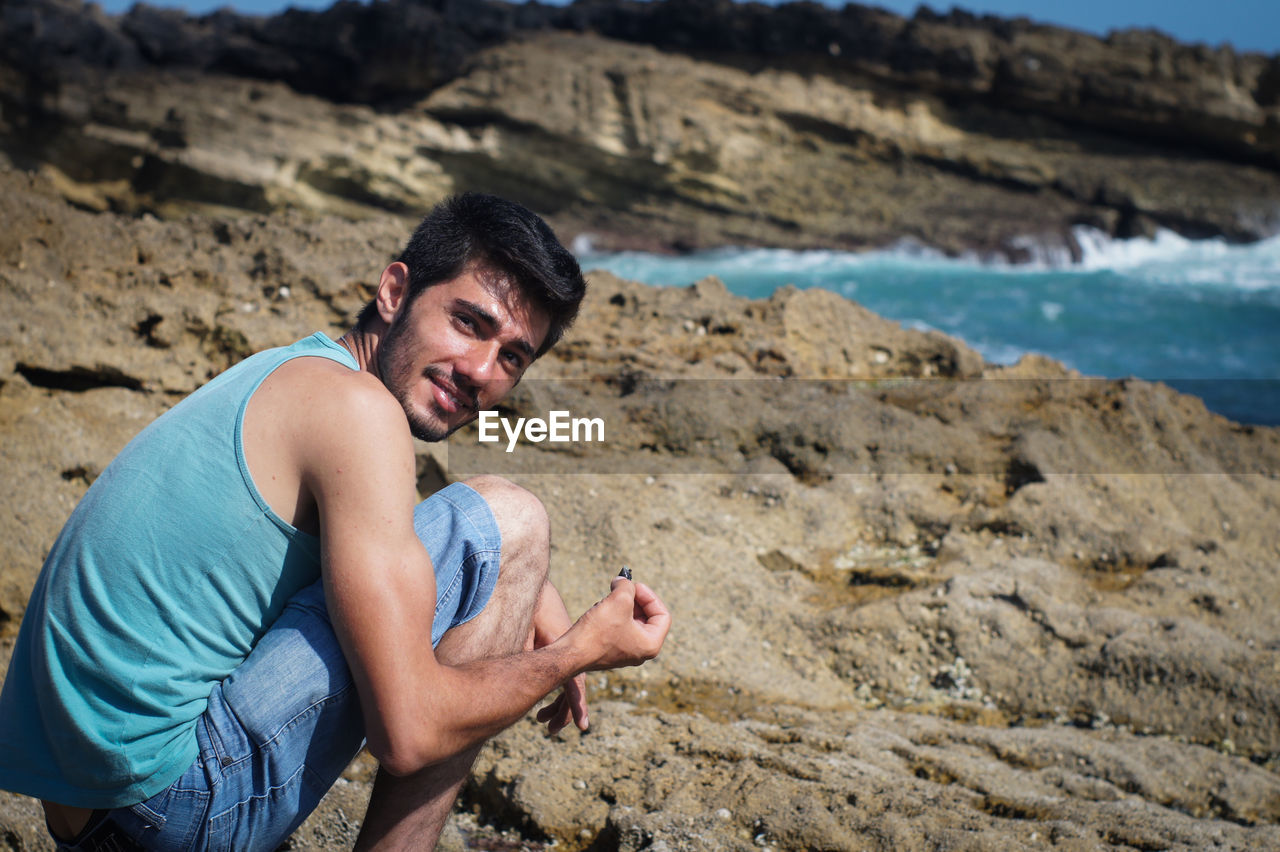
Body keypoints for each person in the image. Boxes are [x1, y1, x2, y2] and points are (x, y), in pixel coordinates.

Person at [0, 193, 671, 851]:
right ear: (393, 291)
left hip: (87, 821)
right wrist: (577, 650)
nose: (480, 372)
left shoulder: (298, 373)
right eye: (468, 322)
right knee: (515, 515)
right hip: (173, 807)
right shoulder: (358, 411)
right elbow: (405, 736)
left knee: (496, 542)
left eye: (513, 357)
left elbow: (380, 546)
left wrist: (523, 582)